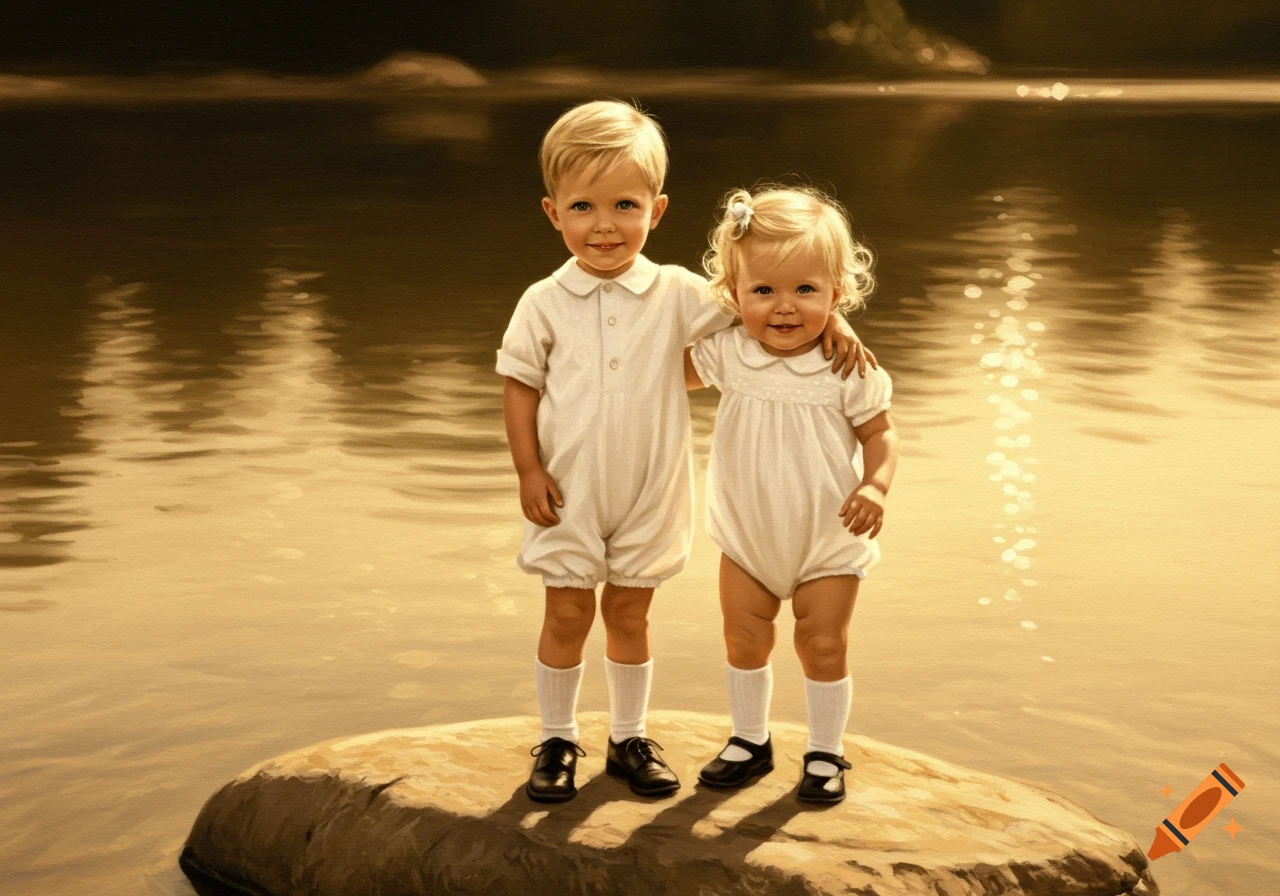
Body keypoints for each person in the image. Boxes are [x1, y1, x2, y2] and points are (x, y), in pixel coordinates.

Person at [497, 102, 874, 803]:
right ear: (553, 213)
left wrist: (839, 322)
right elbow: (520, 386)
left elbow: (770, 302)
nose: (604, 224)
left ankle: (629, 736)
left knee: (631, 615)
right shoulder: (542, 302)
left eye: (625, 205)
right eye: (584, 206)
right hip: (568, 489)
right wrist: (528, 468)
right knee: (568, 614)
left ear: (657, 209)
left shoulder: (677, 293)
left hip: (651, 487)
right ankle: (556, 737)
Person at [684, 185, 899, 805]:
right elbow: (660, 371)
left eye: (806, 291)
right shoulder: (728, 352)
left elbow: (880, 433)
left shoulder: (847, 367)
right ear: (734, 293)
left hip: (826, 536)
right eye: (763, 291)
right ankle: (750, 741)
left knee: (822, 641)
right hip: (748, 536)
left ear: (838, 293)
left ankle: (826, 752)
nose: (784, 307)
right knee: (743, 638)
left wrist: (876, 486)